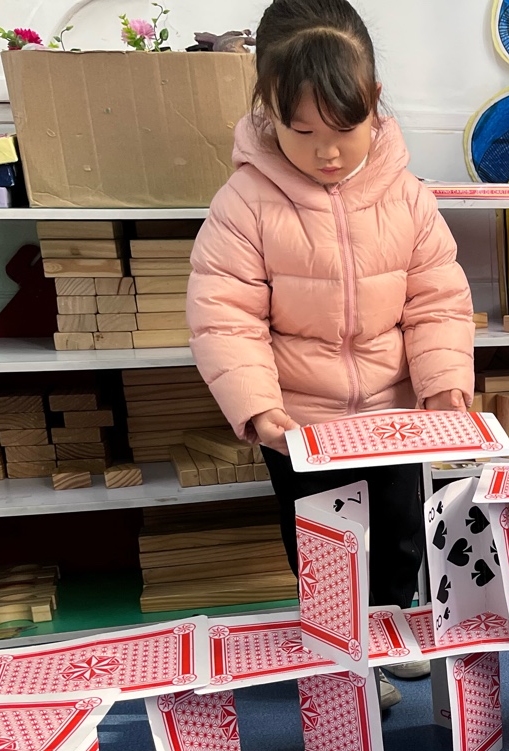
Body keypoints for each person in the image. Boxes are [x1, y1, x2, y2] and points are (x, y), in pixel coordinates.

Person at [188, 0, 475, 708]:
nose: (327, 152)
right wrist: (257, 407)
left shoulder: (406, 195)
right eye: (303, 131)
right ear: (269, 111)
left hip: (390, 414)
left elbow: (437, 298)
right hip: (301, 424)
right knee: (325, 548)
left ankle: (387, 633)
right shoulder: (244, 203)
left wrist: (443, 381)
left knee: (402, 536)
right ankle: (344, 658)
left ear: (374, 102)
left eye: (345, 129)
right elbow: (225, 317)